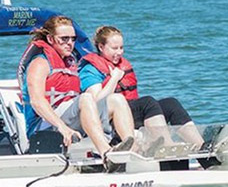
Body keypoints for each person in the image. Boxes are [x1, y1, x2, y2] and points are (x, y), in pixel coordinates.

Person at [18, 16, 135, 164]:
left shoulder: (68, 62)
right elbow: (37, 102)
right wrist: (63, 128)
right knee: (85, 98)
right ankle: (106, 153)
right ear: (50, 39)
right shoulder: (40, 63)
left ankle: (131, 152)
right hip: (46, 125)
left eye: (73, 39)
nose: (70, 43)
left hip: (70, 116)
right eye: (64, 39)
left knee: (116, 99)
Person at [79, 25, 206, 154]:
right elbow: (97, 102)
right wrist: (114, 79)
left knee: (170, 103)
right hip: (113, 120)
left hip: (130, 112)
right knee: (147, 103)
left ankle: (202, 148)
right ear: (101, 47)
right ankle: (168, 148)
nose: (119, 52)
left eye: (121, 48)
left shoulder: (121, 64)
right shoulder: (90, 69)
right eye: (114, 48)